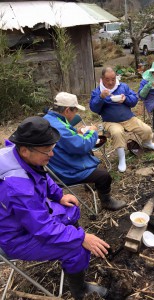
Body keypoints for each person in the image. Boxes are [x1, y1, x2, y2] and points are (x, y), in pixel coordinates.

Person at [0, 116, 109, 300]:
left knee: (73, 208)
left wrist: (59, 195)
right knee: (76, 248)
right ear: (26, 150)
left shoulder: (19, 152)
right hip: (16, 236)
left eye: (52, 148)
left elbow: (43, 174)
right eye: (47, 151)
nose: (51, 154)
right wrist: (81, 237)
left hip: (32, 218)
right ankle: (80, 290)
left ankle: (70, 249)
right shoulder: (17, 187)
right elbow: (42, 228)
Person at [44, 92, 126, 211]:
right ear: (67, 110)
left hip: (58, 162)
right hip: (65, 171)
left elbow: (67, 132)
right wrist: (92, 131)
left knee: (91, 155)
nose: (76, 113)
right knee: (104, 176)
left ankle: (90, 184)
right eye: (75, 110)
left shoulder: (49, 118)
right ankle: (107, 202)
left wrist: (76, 131)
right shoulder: (58, 127)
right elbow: (82, 146)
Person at [89, 67, 154, 173]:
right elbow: (94, 108)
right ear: (102, 79)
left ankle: (147, 143)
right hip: (110, 121)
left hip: (128, 118)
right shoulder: (97, 91)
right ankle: (122, 159)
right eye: (107, 79)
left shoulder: (123, 87)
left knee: (146, 129)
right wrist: (101, 97)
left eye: (113, 79)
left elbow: (134, 99)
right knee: (117, 132)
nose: (110, 82)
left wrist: (126, 99)